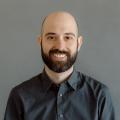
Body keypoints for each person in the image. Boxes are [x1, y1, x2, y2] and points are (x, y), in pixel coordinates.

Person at [4, 11, 115, 120]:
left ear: (79, 43)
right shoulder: (19, 96)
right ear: (40, 42)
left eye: (67, 37)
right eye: (51, 37)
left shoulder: (100, 95)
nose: (60, 46)